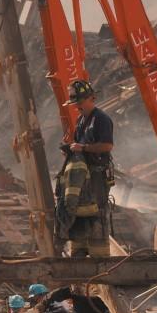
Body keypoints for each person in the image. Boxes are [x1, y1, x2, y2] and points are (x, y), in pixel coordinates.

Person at [61, 80, 113, 257]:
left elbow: (107, 146)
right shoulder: (81, 120)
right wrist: (70, 149)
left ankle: (100, 259)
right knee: (81, 213)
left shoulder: (101, 119)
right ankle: (79, 254)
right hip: (85, 178)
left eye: (80, 103)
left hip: (97, 177)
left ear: (92, 98)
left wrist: (83, 148)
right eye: (75, 104)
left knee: (97, 213)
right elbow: (79, 144)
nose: (77, 107)